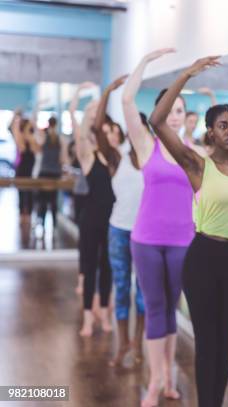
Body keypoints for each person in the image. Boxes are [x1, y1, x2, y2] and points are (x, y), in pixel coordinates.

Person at [150, 55, 228, 407]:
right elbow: (157, 121)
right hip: (204, 258)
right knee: (207, 342)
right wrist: (187, 74)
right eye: (222, 125)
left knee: (226, 343)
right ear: (211, 131)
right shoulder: (198, 163)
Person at [123, 48, 196, 407]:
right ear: (161, 112)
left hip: (184, 240)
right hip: (147, 240)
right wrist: (145, 61)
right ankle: (156, 380)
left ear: (185, 117)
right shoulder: (145, 144)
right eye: (169, 107)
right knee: (155, 308)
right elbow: (126, 99)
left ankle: (168, 374)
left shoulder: (194, 152)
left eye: (180, 109)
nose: (175, 114)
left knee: (171, 309)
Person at [87, 76, 148, 367]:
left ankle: (138, 344)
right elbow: (98, 128)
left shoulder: (153, 159)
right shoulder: (115, 157)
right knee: (122, 288)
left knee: (144, 295)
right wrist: (109, 89)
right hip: (119, 231)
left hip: (147, 234)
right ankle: (123, 344)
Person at [69, 82, 116, 337]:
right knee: (89, 268)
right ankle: (88, 318)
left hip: (112, 221)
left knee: (107, 268)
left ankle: (106, 314)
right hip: (90, 220)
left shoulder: (114, 155)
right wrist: (84, 106)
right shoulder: (88, 155)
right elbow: (80, 133)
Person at [36, 114, 67, 231]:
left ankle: (43, 224)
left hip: (45, 172)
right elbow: (62, 159)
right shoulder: (60, 138)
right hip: (55, 173)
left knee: (43, 200)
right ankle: (53, 226)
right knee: (53, 200)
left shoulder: (45, 137)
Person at [10, 111, 39, 224]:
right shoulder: (21, 142)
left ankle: (28, 220)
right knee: (22, 197)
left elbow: (37, 149)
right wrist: (17, 121)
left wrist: (31, 125)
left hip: (30, 174)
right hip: (21, 173)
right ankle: (22, 220)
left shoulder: (32, 142)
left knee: (30, 198)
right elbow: (16, 132)